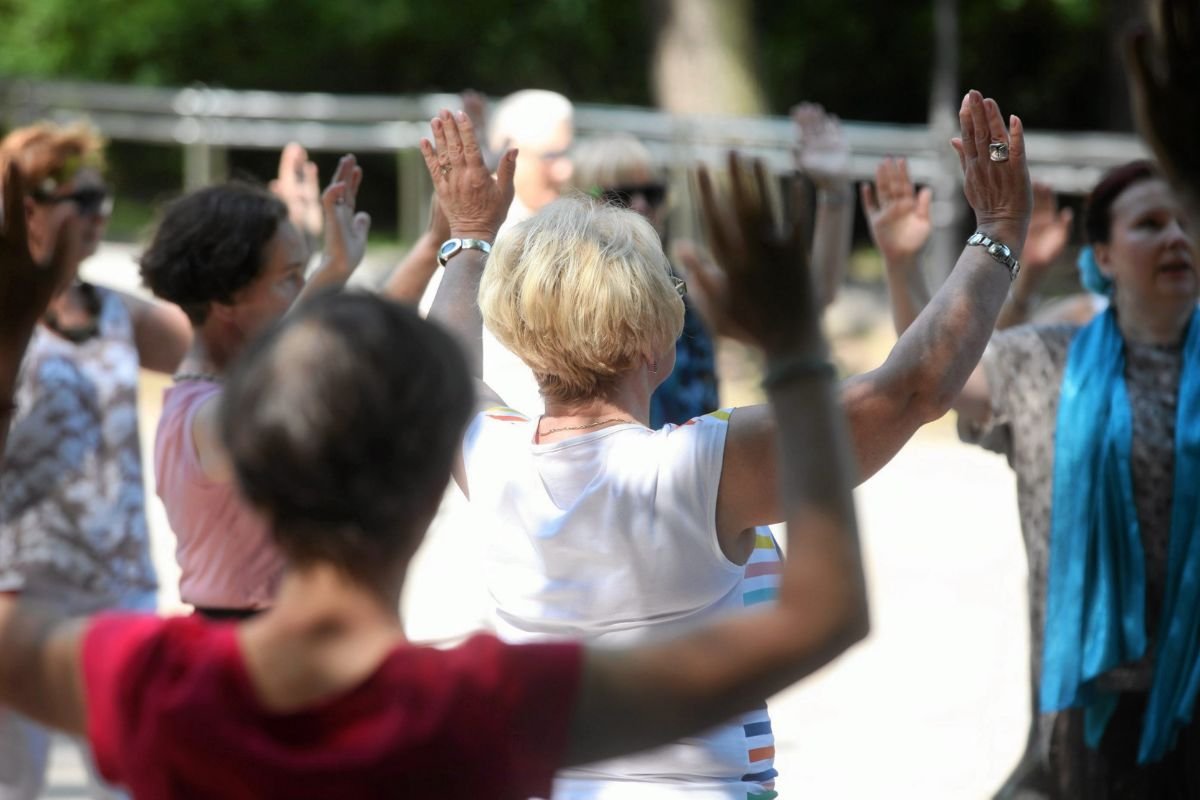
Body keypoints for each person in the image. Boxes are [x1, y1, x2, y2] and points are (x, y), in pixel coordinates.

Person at [0, 116, 872, 800]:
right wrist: (795, 344)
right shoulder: (473, 708)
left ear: (255, 475)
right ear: (430, 493)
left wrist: (12, 328)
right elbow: (824, 617)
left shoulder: (158, 685)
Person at [421, 90, 1030, 796]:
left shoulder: (492, 458)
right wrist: (999, 230)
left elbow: (448, 360)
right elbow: (911, 390)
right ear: (657, 339)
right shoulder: (700, 467)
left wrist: (469, 235)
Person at [882, 152, 1199, 795]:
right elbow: (931, 378)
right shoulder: (1048, 364)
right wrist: (900, 264)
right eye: (1150, 224)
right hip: (1086, 703)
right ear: (1103, 258)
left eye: (1187, 222)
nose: (1176, 237)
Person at [0, 122, 192, 800]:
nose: (98, 214)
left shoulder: (114, 312)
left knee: (132, 779)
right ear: (27, 206)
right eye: (80, 200)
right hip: (19, 594)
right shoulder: (2, 318)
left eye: (103, 199)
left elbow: (234, 343)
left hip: (120, 585)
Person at [139, 155, 371, 619]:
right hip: (243, 648)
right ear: (226, 298)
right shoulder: (212, 413)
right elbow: (284, 373)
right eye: (289, 279)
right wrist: (333, 272)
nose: (302, 289)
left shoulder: (204, 396)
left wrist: (335, 269)